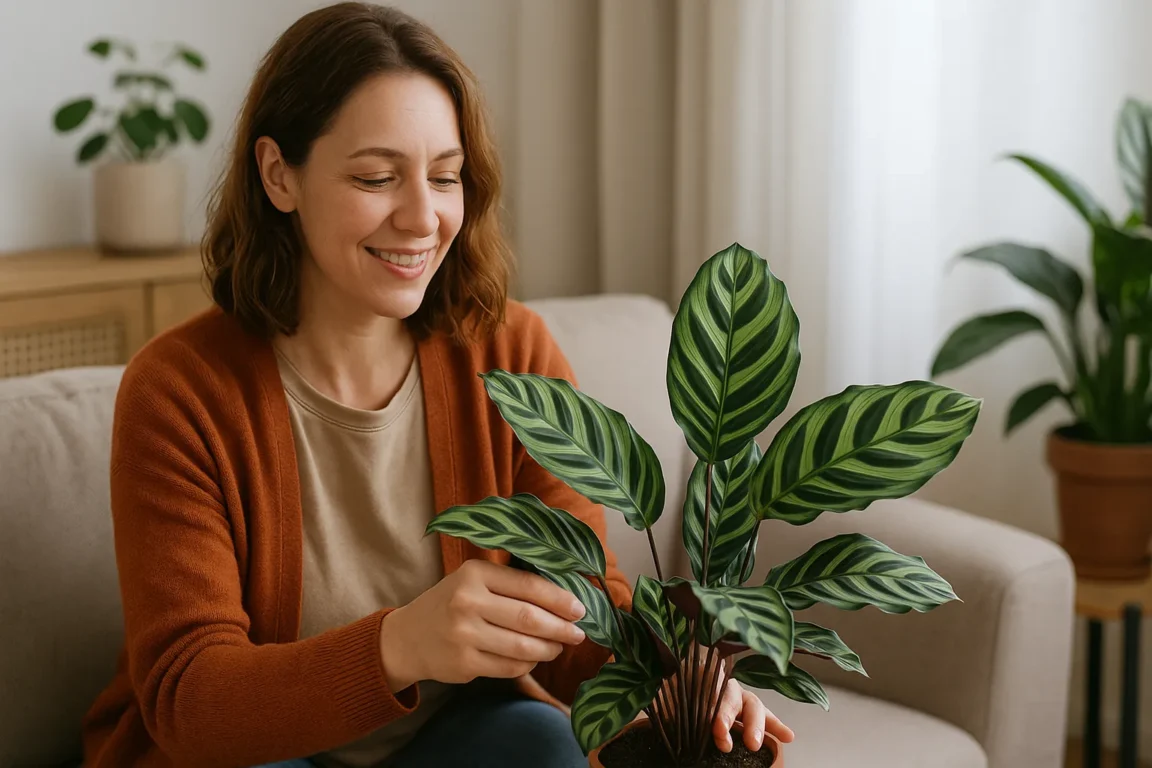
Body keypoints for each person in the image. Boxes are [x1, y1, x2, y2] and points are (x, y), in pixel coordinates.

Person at [80, 4, 794, 767]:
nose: (423, 217)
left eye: (446, 176)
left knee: (545, 745)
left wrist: (680, 682)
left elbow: (580, 610)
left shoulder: (512, 351)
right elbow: (191, 702)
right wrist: (398, 645)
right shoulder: (179, 391)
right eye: (377, 176)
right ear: (278, 174)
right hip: (251, 753)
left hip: (453, 738)